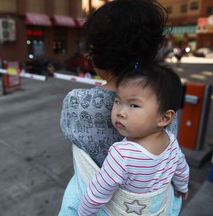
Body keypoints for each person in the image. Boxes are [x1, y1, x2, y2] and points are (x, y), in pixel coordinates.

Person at [59, 0, 179, 215]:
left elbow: (71, 134)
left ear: (98, 53)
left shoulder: (76, 101)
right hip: (152, 204)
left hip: (93, 203)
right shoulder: (163, 102)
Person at [78, 64, 189, 215]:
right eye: (117, 101)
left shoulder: (122, 154)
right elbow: (181, 169)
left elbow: (97, 193)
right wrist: (182, 187)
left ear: (165, 117)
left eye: (133, 105)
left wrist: (83, 213)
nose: (120, 112)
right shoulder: (171, 142)